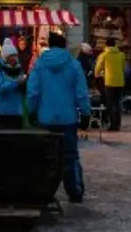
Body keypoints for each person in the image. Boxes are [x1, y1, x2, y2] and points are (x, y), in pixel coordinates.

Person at [26, 32, 92, 204]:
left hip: (45, 118)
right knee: (70, 156)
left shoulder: (39, 65)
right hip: (68, 118)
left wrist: (31, 111)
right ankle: (75, 191)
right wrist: (85, 113)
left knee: (45, 157)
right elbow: (81, 93)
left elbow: (33, 92)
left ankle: (45, 191)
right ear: (64, 46)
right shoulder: (74, 65)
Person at [0, 38, 26, 129]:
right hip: (3, 111)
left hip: (18, 111)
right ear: (5, 57)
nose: (14, 59)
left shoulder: (19, 69)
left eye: (15, 56)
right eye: (11, 56)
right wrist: (17, 83)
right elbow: (0, 88)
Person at [94, 38, 126, 131]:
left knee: (110, 104)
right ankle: (118, 124)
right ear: (115, 45)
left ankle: (113, 124)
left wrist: (96, 75)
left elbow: (98, 68)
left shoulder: (104, 55)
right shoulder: (121, 55)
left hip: (109, 82)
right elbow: (123, 67)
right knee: (118, 103)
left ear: (106, 45)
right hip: (120, 82)